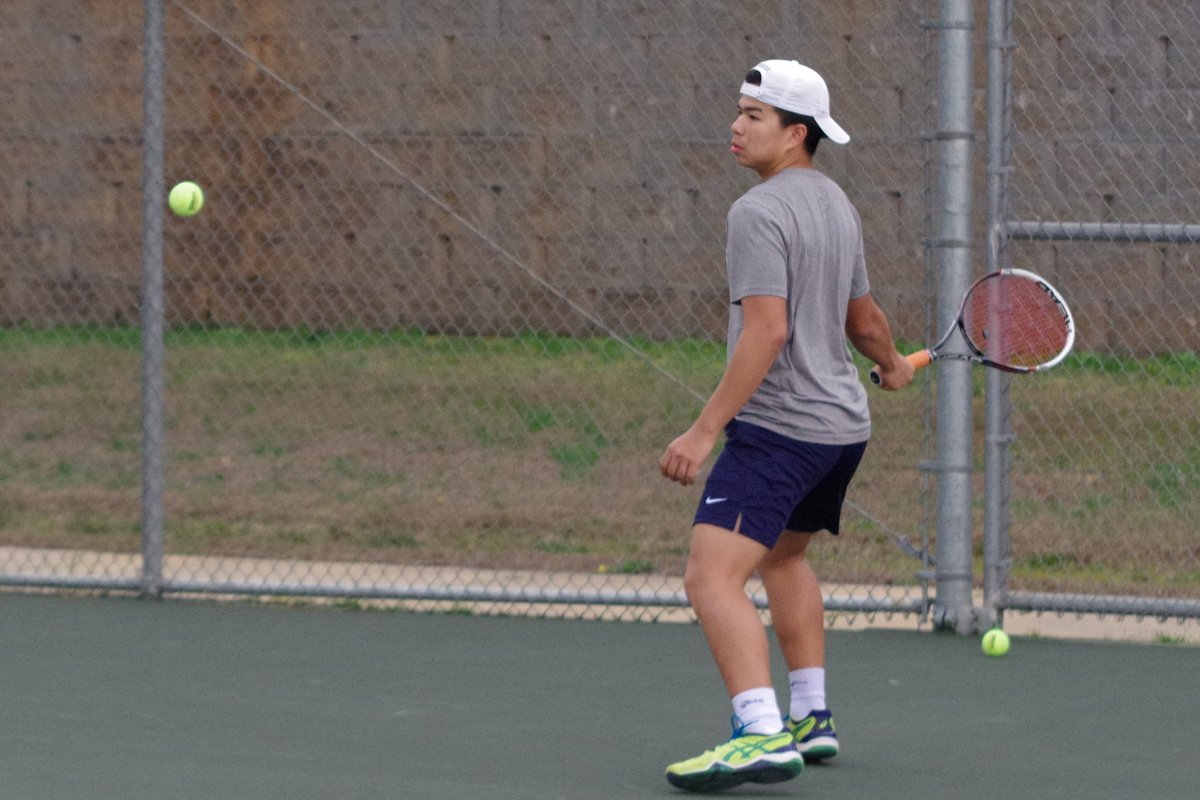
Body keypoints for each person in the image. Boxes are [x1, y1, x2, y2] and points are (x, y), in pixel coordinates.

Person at [659, 59, 914, 792]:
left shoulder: (757, 212)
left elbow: (766, 331)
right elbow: (864, 319)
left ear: (796, 132)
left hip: (782, 432)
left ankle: (759, 733)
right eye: (739, 111)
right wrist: (891, 362)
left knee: (711, 576)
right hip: (841, 432)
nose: (736, 127)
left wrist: (704, 430)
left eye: (754, 115)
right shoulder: (836, 203)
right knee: (783, 558)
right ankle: (810, 716)